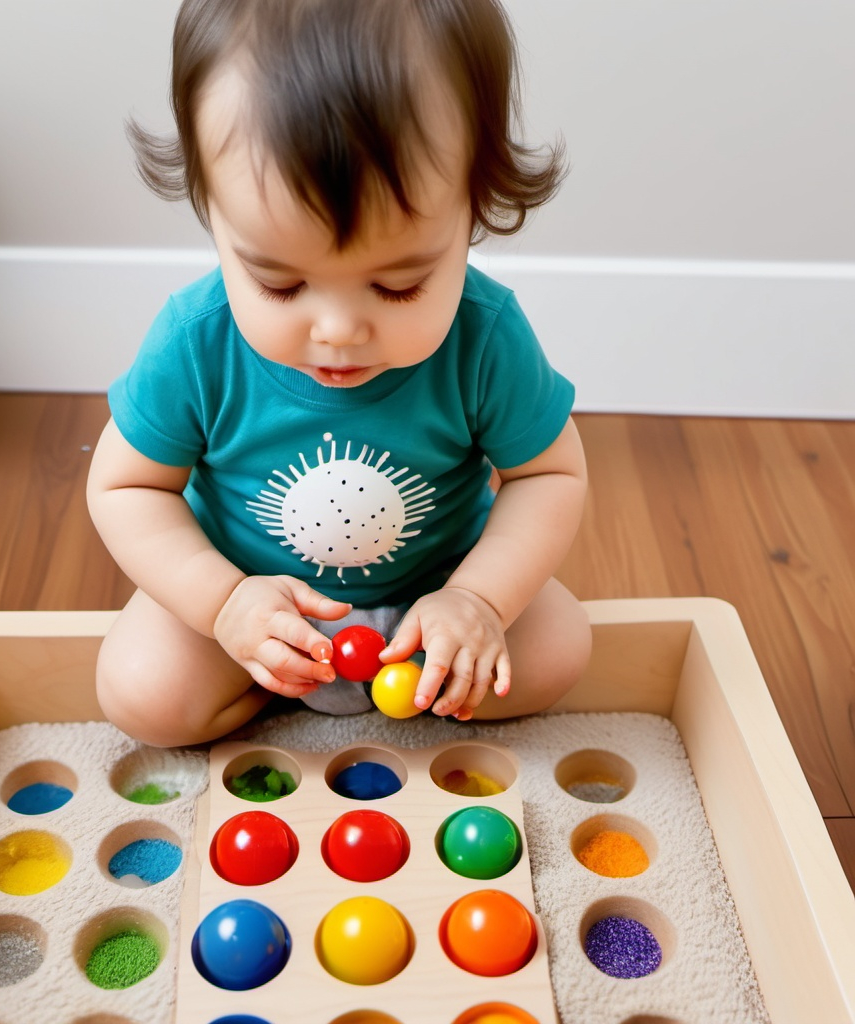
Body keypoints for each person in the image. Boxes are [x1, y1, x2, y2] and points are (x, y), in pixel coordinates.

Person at [87, 0, 591, 747]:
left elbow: (549, 476)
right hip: (254, 599)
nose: (338, 331)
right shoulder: (197, 341)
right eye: (281, 285)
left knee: (559, 649)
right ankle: (274, 678)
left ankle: (411, 675)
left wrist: (479, 600)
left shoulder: (486, 335)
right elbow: (127, 488)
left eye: (398, 285)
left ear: (472, 212)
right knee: (143, 694)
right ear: (213, 216)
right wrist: (223, 605)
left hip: (436, 591)